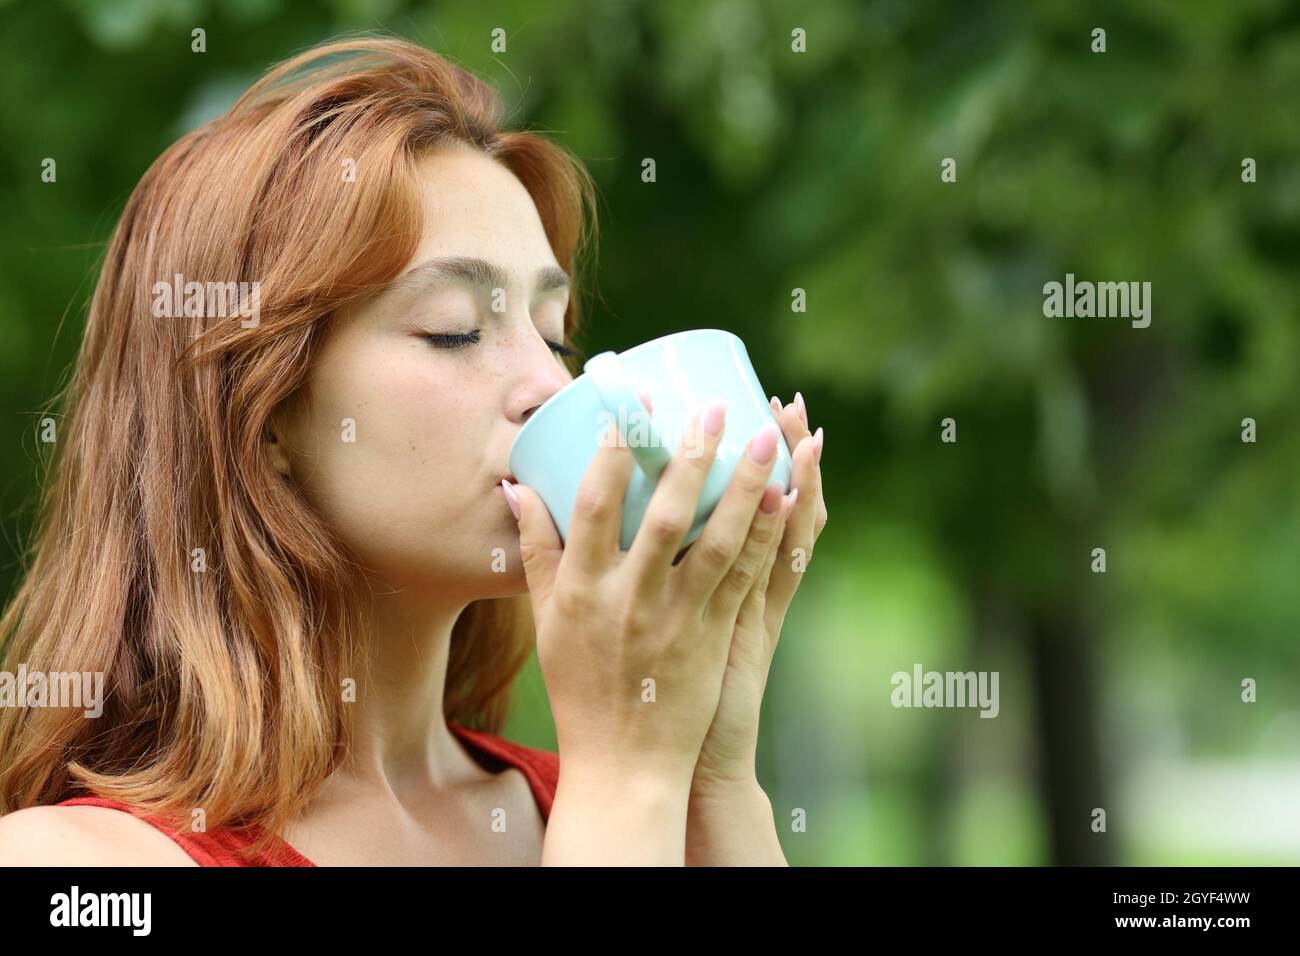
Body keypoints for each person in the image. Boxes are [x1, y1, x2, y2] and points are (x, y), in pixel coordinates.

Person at [0, 36, 826, 866]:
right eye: (454, 329)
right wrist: (629, 782)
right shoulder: (77, 863)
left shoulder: (621, 808)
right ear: (263, 416)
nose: (551, 385)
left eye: (555, 336)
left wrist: (712, 774)